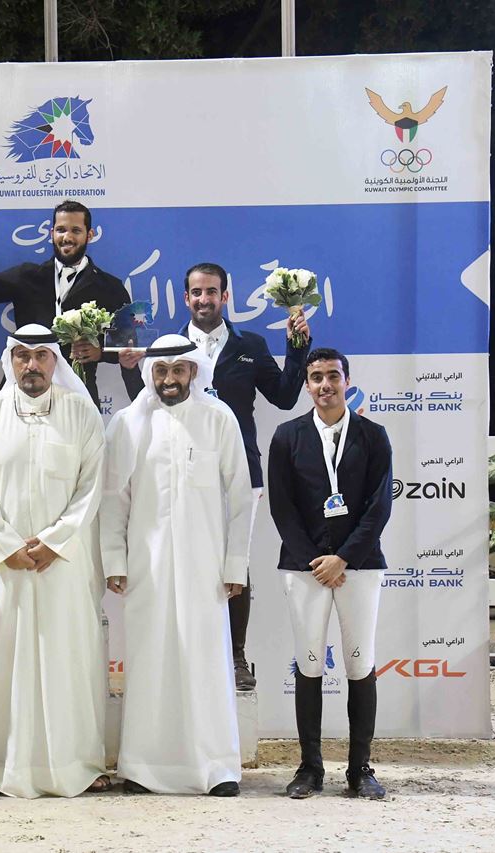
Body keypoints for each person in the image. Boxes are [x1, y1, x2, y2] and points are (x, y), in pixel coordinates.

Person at [0, 324, 110, 798]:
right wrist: (8, 546)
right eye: (22, 356)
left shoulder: (82, 414)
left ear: (55, 362)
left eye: (41, 356)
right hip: (4, 567)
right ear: (10, 361)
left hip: (63, 564)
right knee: (3, 662)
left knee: (71, 659)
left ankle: (80, 763)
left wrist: (53, 542)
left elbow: (91, 488)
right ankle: (1, 765)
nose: (31, 365)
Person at [101, 335, 253, 796]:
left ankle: (218, 768)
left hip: (205, 567)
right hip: (147, 566)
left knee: (205, 659)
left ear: (194, 372)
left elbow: (242, 496)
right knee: (150, 661)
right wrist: (114, 559)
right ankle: (145, 768)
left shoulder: (218, 418)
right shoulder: (129, 423)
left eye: (178, 370)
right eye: (161, 370)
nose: (169, 379)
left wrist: (235, 566)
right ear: (151, 374)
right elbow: (114, 498)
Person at [175, 262, 312, 692]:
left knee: (236, 559)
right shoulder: (171, 347)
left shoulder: (249, 344)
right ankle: (186, 652)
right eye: (196, 293)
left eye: (212, 292)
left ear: (225, 296)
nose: (204, 299)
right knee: (186, 558)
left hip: (241, 472)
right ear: (186, 298)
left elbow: (287, 396)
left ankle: (236, 656)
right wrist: (127, 366)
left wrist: (297, 348)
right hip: (184, 468)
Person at [267, 347, 392, 801]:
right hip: (304, 569)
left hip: (359, 566)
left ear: (347, 380)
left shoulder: (374, 436)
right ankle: (310, 768)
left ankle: (360, 769)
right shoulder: (287, 436)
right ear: (306, 384)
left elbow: (380, 506)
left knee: (360, 664)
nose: (325, 385)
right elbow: (282, 507)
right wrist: (316, 560)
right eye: (316, 377)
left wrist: (344, 558)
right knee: (310, 663)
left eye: (333, 377)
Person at [0, 200, 144, 405]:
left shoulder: (110, 287)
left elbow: (127, 348)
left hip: (78, 394)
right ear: (51, 233)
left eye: (76, 231)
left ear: (89, 235)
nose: (67, 237)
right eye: (61, 230)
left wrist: (100, 352)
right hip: (23, 390)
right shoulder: (27, 276)